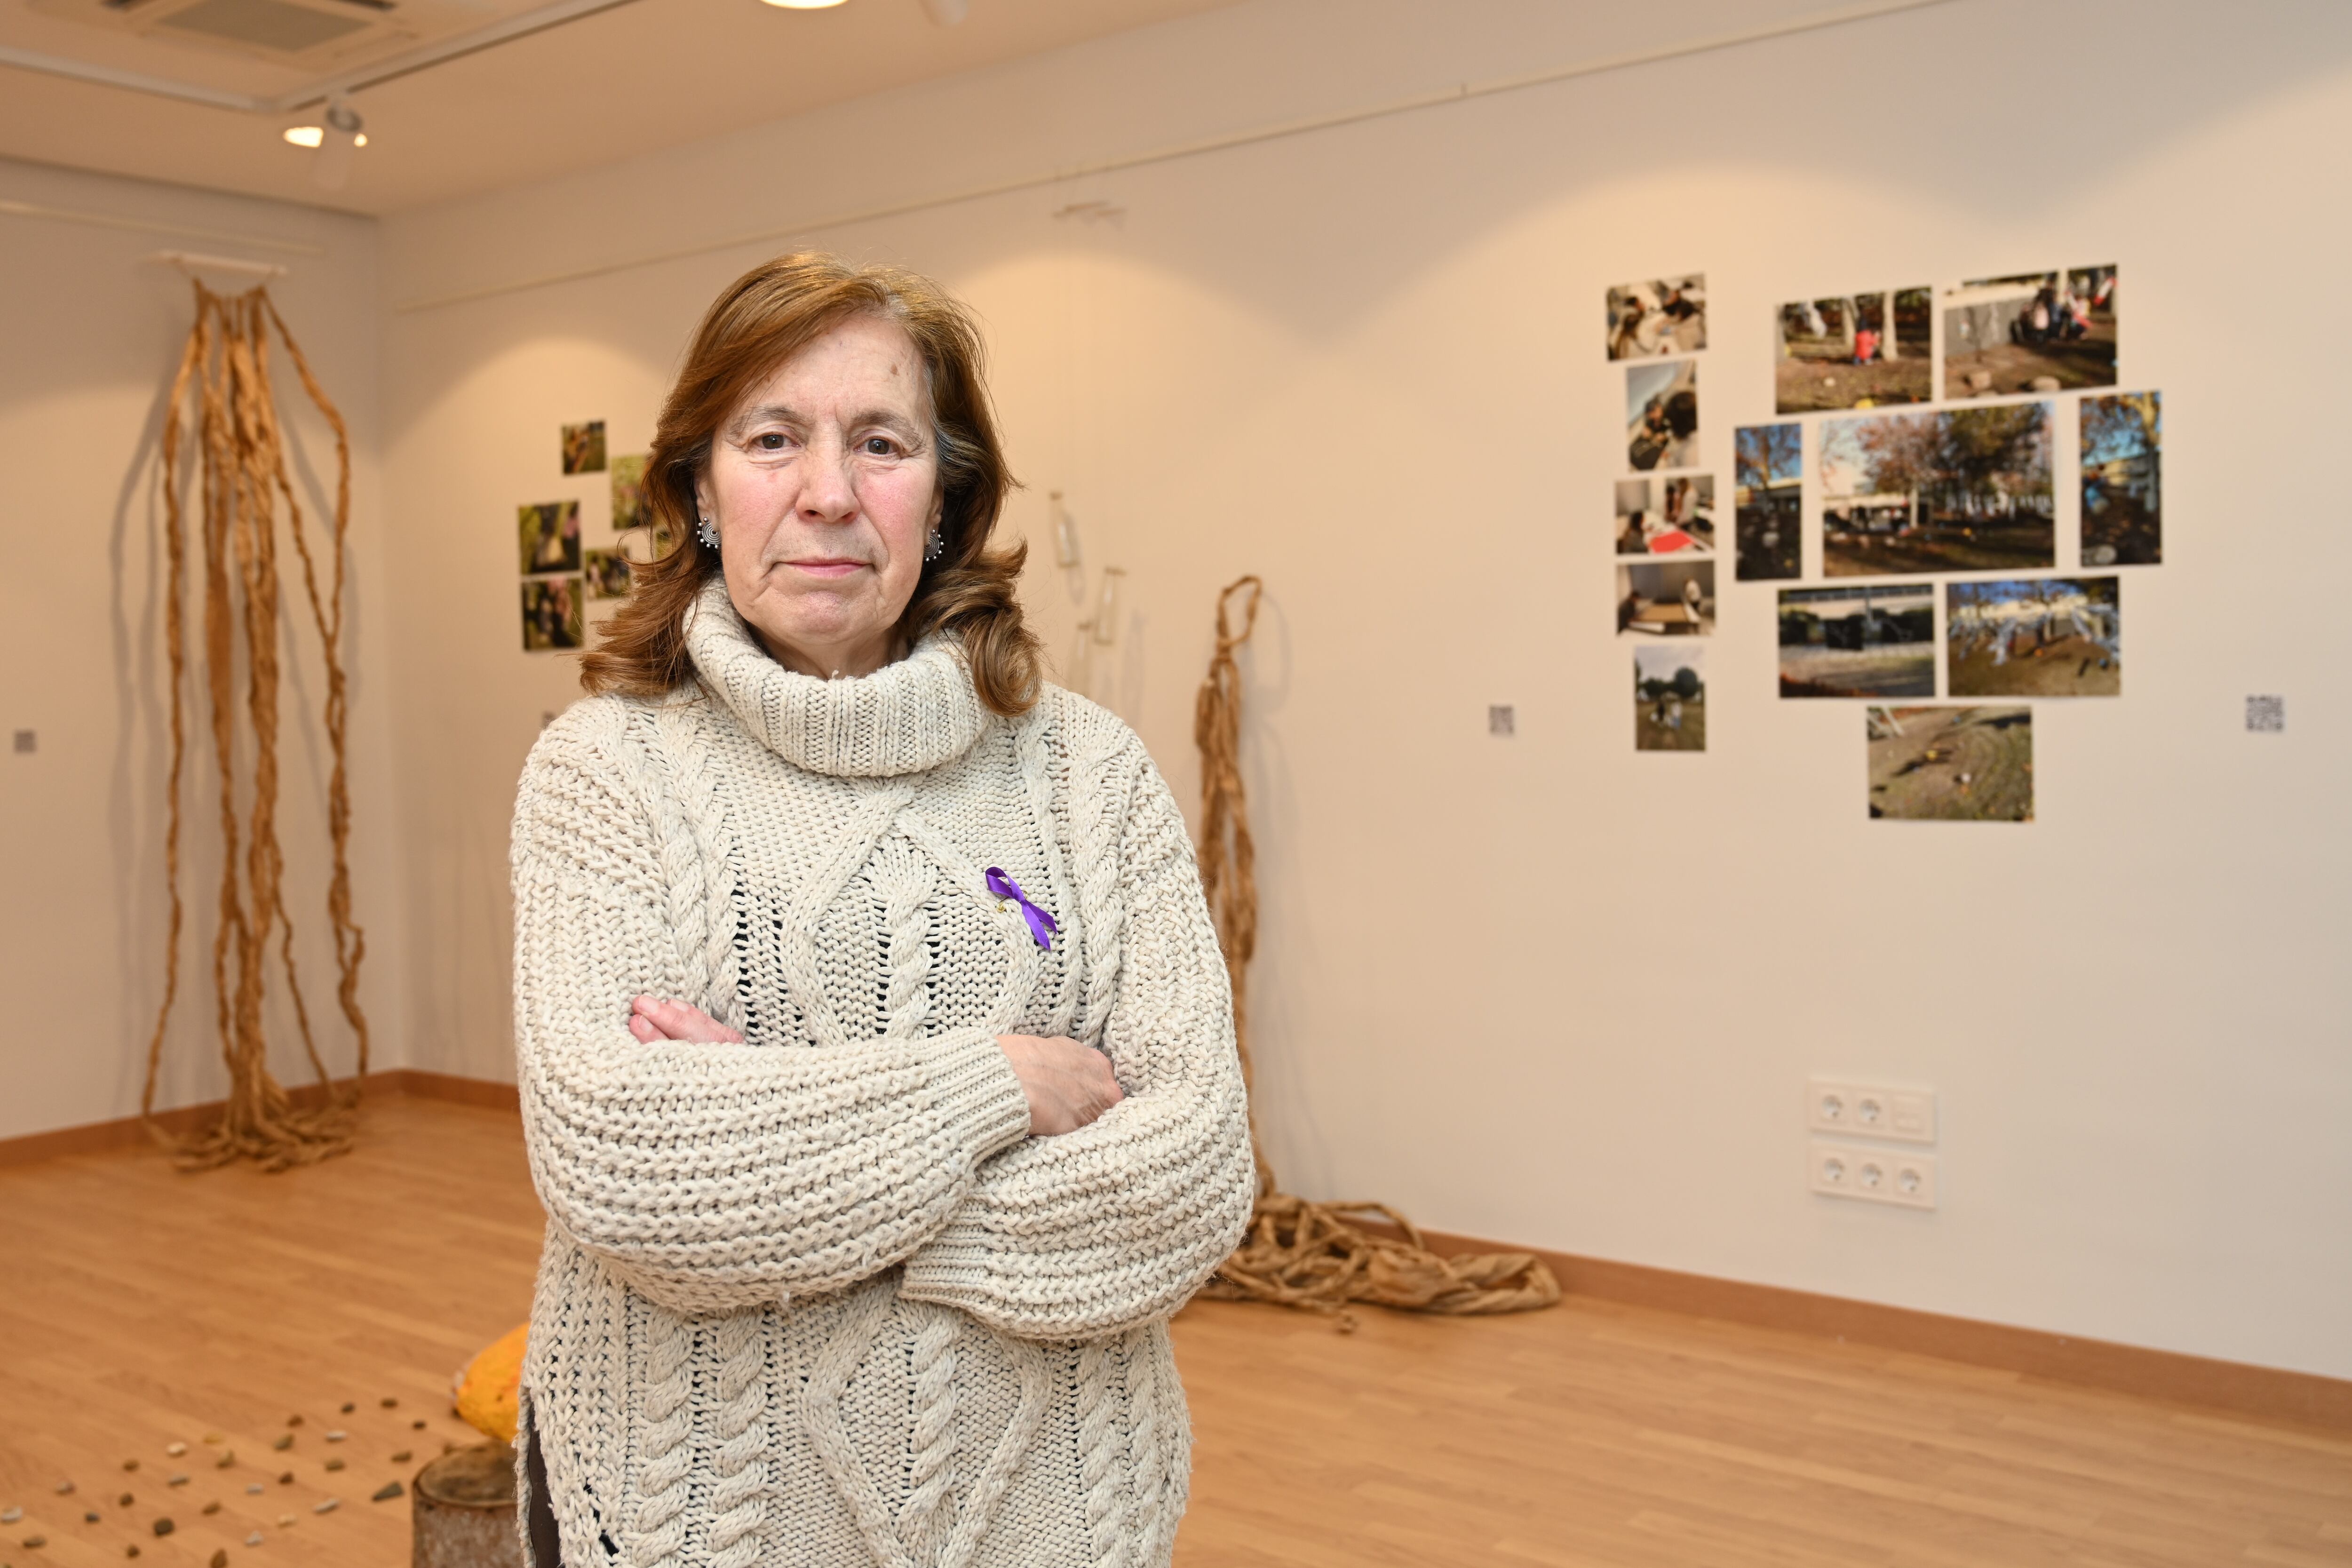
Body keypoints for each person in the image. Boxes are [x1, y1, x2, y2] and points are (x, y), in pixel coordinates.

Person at [508, 253, 1256, 1568]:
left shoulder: (1089, 774)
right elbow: (621, 1162)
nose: (828, 494)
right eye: (773, 437)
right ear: (698, 488)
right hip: (695, 1518)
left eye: (882, 443)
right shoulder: (602, 771)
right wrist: (999, 1091)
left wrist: (783, 1153)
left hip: (1054, 1517)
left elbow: (1188, 1176)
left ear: (947, 496)